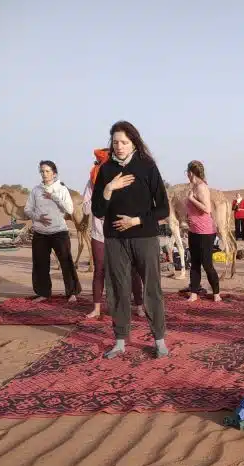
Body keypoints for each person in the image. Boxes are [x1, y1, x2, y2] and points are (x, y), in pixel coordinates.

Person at [91, 120, 170, 359]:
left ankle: (159, 340)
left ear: (133, 142)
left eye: (124, 142)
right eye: (115, 142)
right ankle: (120, 340)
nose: (120, 146)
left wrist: (136, 221)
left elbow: (163, 209)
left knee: (151, 288)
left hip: (144, 237)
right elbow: (97, 210)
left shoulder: (147, 166)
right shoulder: (105, 170)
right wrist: (109, 188)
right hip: (115, 239)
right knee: (117, 288)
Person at [82, 148, 145, 319]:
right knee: (99, 270)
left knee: (132, 271)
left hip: (122, 231)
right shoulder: (91, 184)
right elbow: (87, 209)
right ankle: (96, 308)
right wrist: (102, 192)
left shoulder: (124, 179)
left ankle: (139, 305)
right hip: (99, 233)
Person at [25, 160, 81, 303]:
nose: (44, 174)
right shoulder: (36, 190)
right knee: (40, 264)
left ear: (54, 173)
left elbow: (69, 210)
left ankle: (72, 292)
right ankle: (43, 293)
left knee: (66, 262)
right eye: (42, 171)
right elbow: (27, 209)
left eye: (48, 171)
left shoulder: (61, 189)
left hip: (59, 232)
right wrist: (38, 217)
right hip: (40, 232)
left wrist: (54, 197)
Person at [184, 160, 222, 303]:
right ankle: (193, 292)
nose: (186, 175)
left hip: (205, 232)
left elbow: (207, 209)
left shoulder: (201, 187)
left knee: (207, 264)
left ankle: (216, 292)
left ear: (191, 173)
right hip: (193, 230)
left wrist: (191, 199)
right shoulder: (193, 187)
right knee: (194, 262)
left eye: (187, 172)